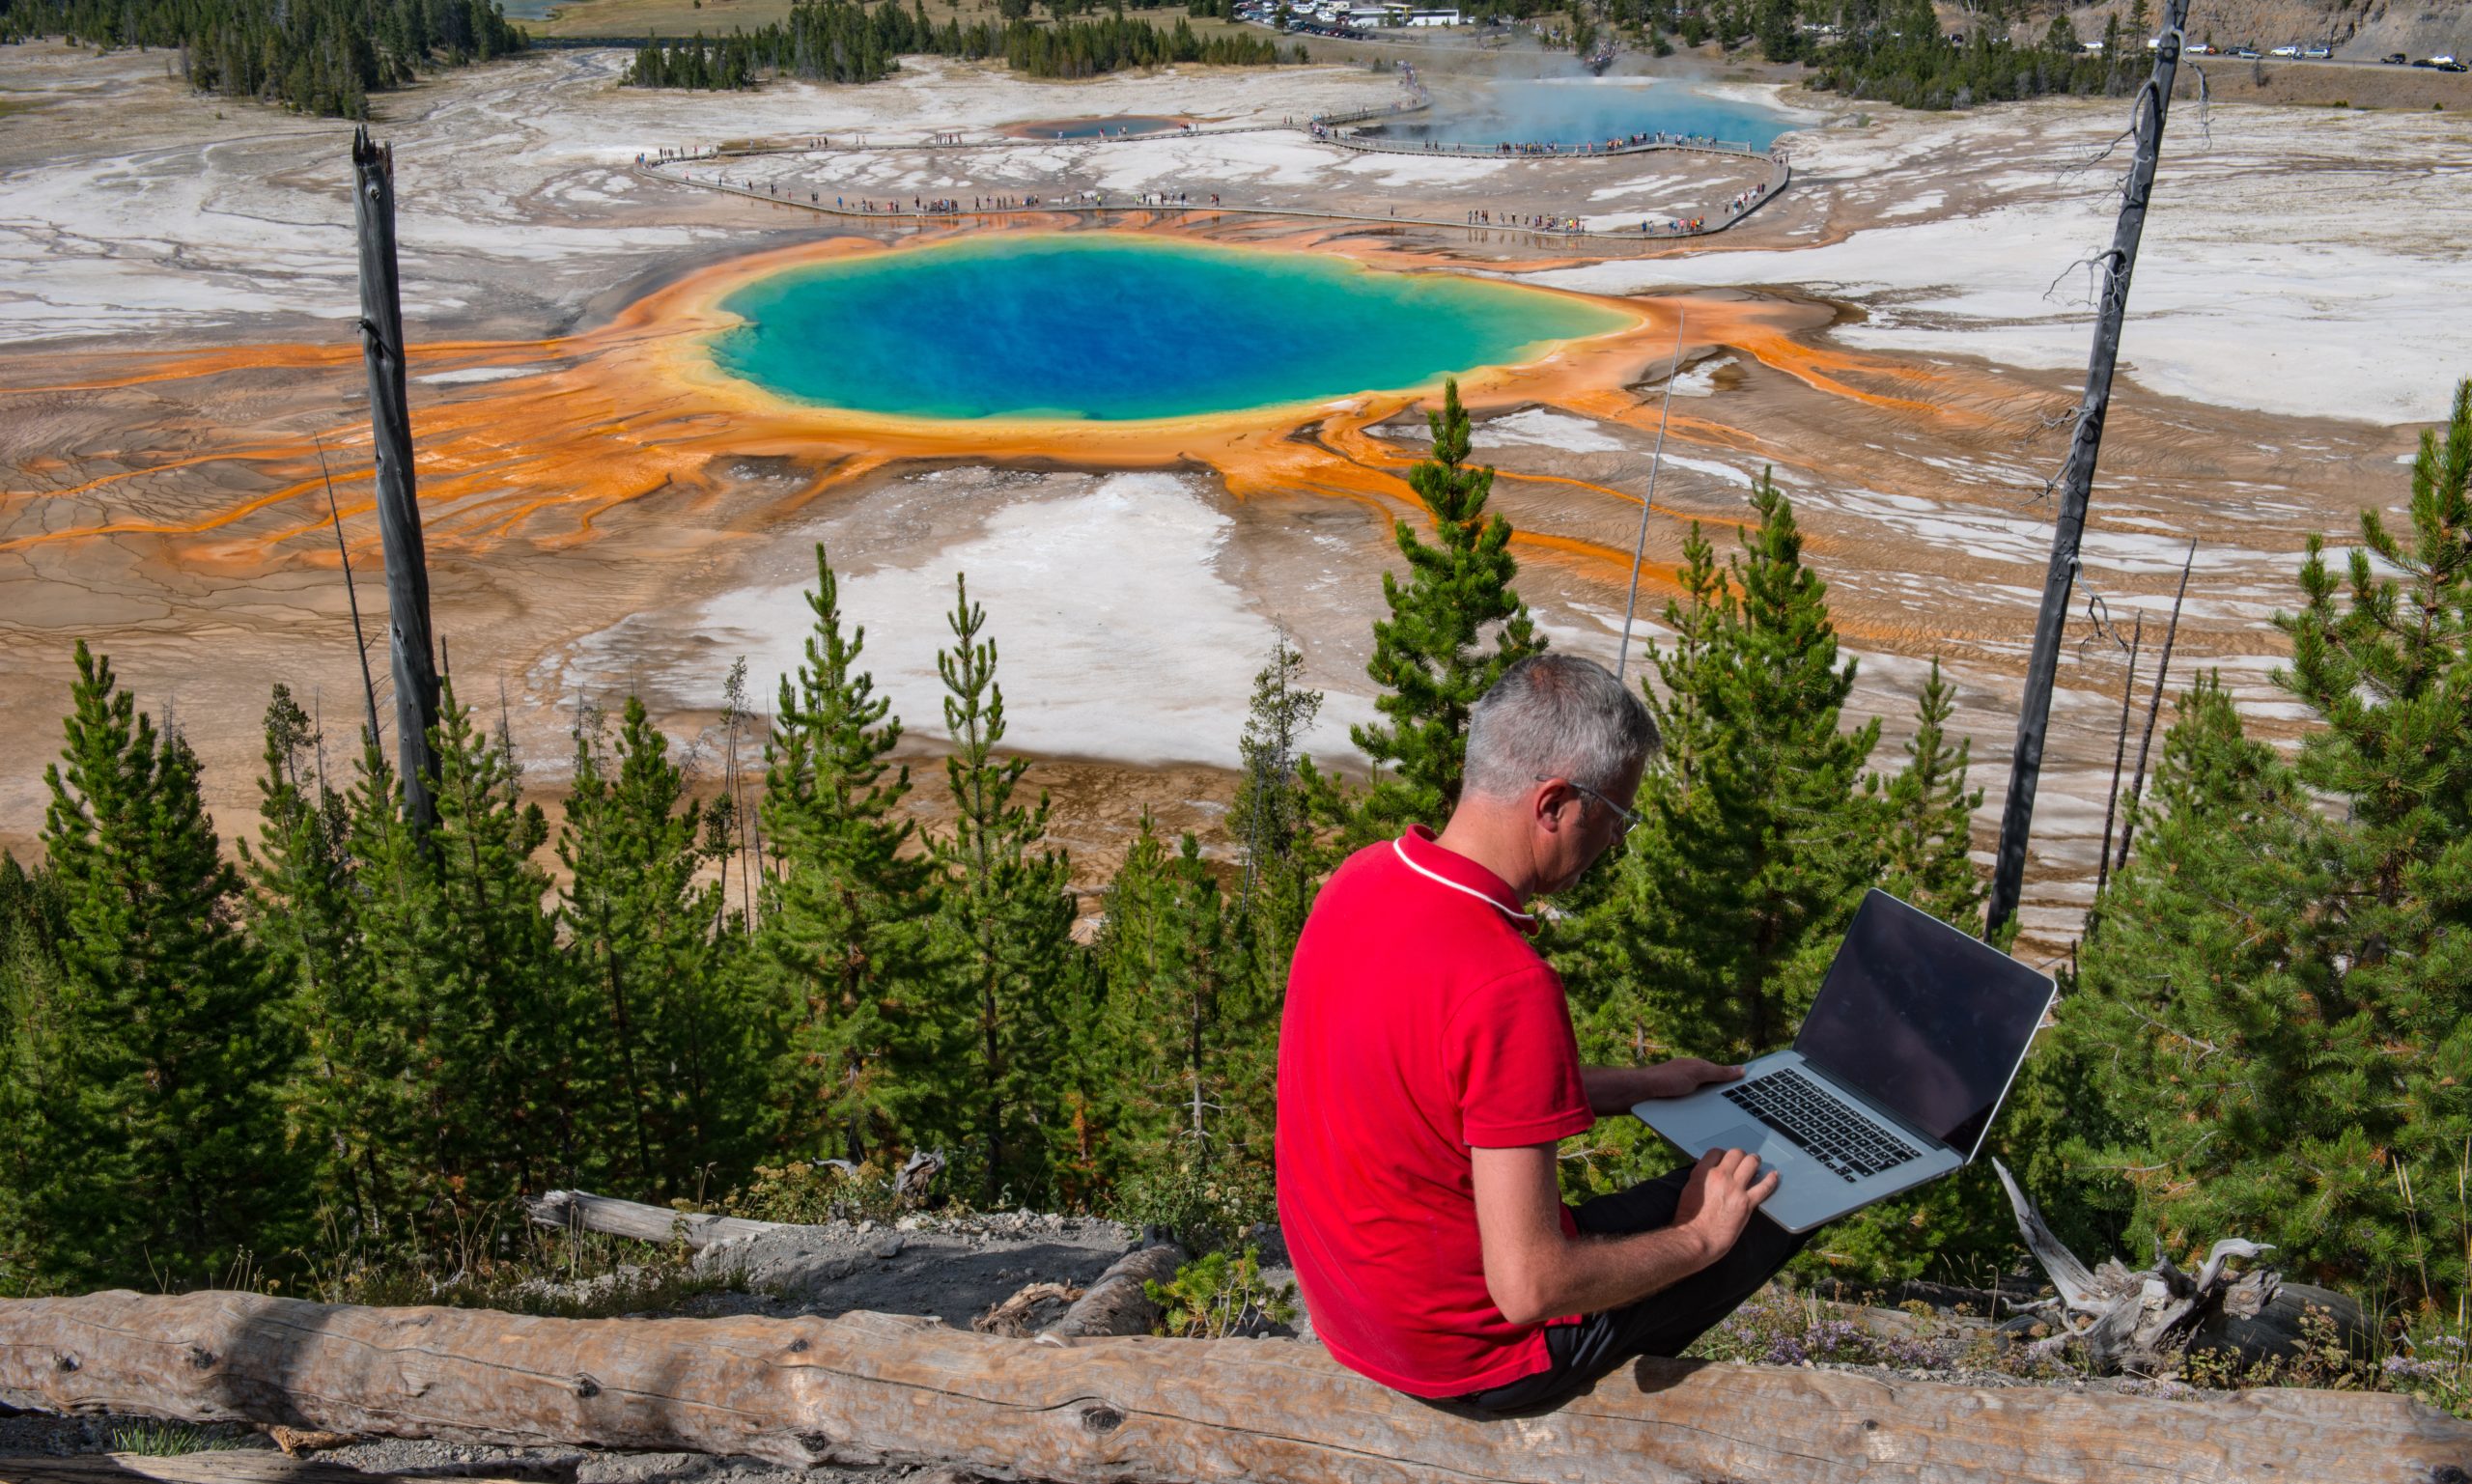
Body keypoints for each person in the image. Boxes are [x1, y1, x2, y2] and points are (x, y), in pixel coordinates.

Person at [1276, 653, 1810, 1414]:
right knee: (1773, 1187)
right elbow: (1530, 1287)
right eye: (1617, 815)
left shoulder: (1362, 879)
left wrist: (1642, 1085)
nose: (1615, 840)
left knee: (1707, 1187)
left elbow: (1439, 1083)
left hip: (1357, 1313)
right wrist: (1700, 1239)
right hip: (1474, 1358)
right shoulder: (1508, 982)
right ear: (1554, 803)